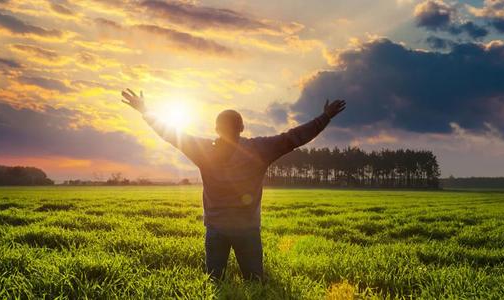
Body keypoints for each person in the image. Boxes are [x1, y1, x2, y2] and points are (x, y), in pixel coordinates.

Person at [121, 88, 345, 281]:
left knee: (216, 284)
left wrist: (145, 111)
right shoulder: (259, 149)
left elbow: (170, 133)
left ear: (216, 129)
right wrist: (325, 117)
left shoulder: (203, 150)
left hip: (215, 229)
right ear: (242, 127)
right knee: (255, 283)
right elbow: (295, 137)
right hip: (247, 229)